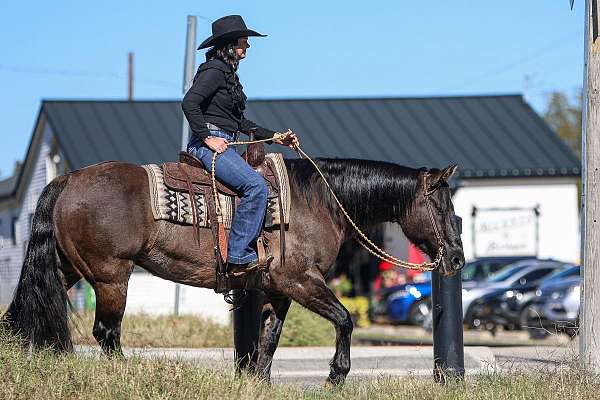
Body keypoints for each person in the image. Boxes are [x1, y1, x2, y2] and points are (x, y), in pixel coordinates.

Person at [182, 15, 299, 275]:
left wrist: (276, 136)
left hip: (223, 140)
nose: (248, 46)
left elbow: (238, 122)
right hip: (208, 144)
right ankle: (237, 254)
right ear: (230, 44)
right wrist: (207, 138)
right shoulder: (214, 71)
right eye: (244, 42)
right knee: (255, 185)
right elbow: (189, 103)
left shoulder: (226, 72)